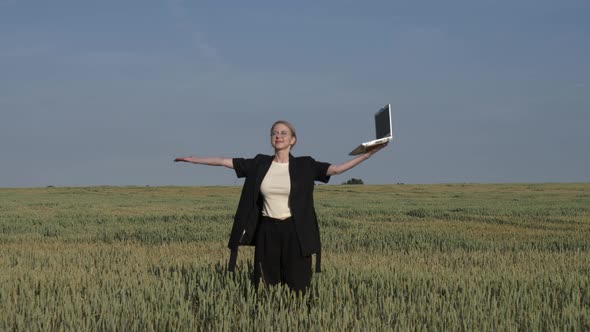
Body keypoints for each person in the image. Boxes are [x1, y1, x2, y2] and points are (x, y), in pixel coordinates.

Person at [174, 120, 387, 293]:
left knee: (299, 283)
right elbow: (223, 161)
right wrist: (195, 160)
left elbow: (338, 169)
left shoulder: (305, 165)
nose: (278, 135)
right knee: (265, 282)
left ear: (293, 140)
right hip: (267, 230)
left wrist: (368, 154)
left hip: (295, 231)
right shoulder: (260, 163)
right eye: (274, 133)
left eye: (284, 133)